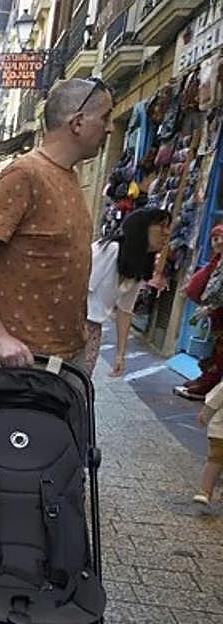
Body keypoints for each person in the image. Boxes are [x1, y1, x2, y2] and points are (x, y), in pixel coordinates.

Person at [0, 77, 114, 369]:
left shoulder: (67, 175)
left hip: (62, 360)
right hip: (24, 367)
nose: (110, 127)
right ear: (77, 122)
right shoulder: (25, 174)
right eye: (105, 117)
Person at [85, 207, 171, 377]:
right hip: (74, 322)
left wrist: (120, 355)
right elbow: (78, 286)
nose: (167, 232)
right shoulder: (111, 249)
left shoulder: (138, 265)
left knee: (80, 381)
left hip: (93, 329)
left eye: (168, 227)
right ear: (142, 228)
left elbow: (125, 310)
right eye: (161, 226)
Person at [175, 224, 223, 401]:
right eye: (214, 238)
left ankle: (209, 383)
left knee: (219, 352)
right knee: (211, 349)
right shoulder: (217, 260)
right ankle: (206, 378)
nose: (217, 242)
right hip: (214, 314)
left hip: (218, 311)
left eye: (221, 238)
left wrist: (212, 306)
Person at [195, 380, 223, 504]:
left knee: (215, 460)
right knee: (215, 459)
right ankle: (205, 490)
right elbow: (214, 401)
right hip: (220, 431)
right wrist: (205, 415)